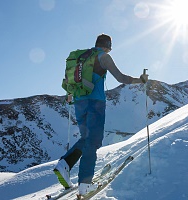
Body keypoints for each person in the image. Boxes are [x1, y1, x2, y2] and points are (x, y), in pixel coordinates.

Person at [53, 33, 148, 197]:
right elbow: (121, 78)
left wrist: (71, 96)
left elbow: (68, 81)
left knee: (85, 137)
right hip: (95, 103)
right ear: (108, 46)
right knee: (93, 141)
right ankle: (85, 183)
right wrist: (141, 80)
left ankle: (65, 164)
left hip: (79, 102)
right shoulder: (103, 57)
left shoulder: (81, 58)